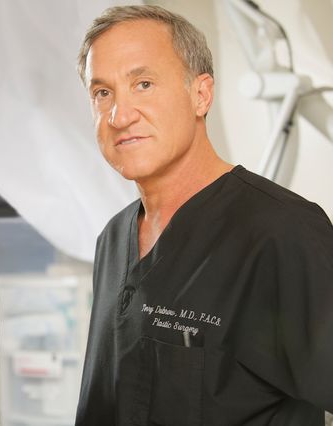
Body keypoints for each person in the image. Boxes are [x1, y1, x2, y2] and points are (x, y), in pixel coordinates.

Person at [75, 5, 333, 425]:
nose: (119, 116)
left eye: (143, 84)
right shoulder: (114, 239)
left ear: (201, 94)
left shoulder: (282, 233)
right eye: (102, 93)